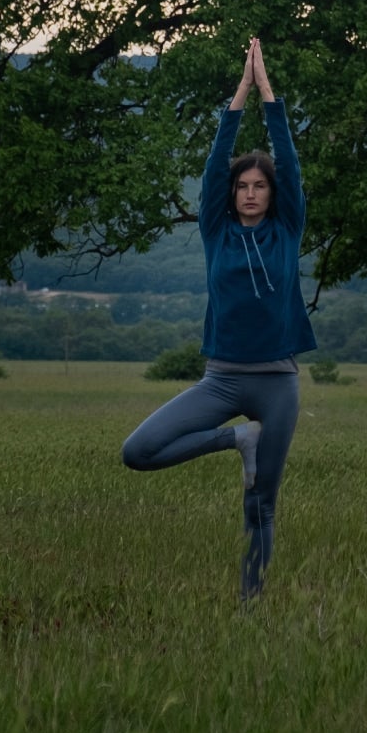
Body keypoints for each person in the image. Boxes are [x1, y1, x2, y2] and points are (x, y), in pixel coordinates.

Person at [120, 37, 315, 598]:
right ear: (230, 197)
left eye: (260, 186)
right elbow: (213, 166)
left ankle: (250, 606)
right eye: (242, 187)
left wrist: (268, 91)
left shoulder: (286, 230)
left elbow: (289, 159)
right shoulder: (217, 231)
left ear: (272, 195)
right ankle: (236, 441)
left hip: (277, 381)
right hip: (223, 378)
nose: (250, 193)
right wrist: (240, 92)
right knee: (138, 452)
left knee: (261, 507)